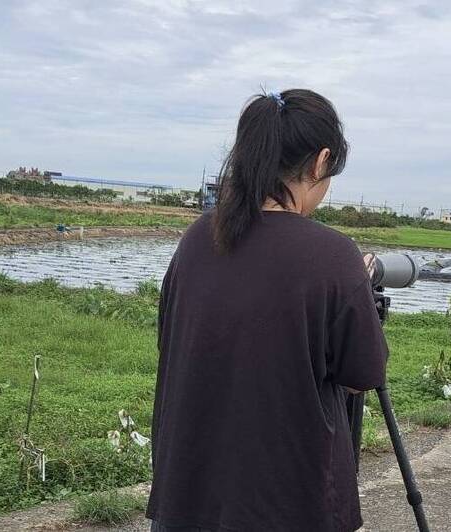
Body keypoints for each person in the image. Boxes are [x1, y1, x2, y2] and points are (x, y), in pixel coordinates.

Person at [146, 89, 389, 531]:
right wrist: (358, 286)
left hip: (186, 497)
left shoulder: (198, 238)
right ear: (321, 162)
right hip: (291, 505)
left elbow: (173, 338)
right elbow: (363, 376)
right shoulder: (333, 255)